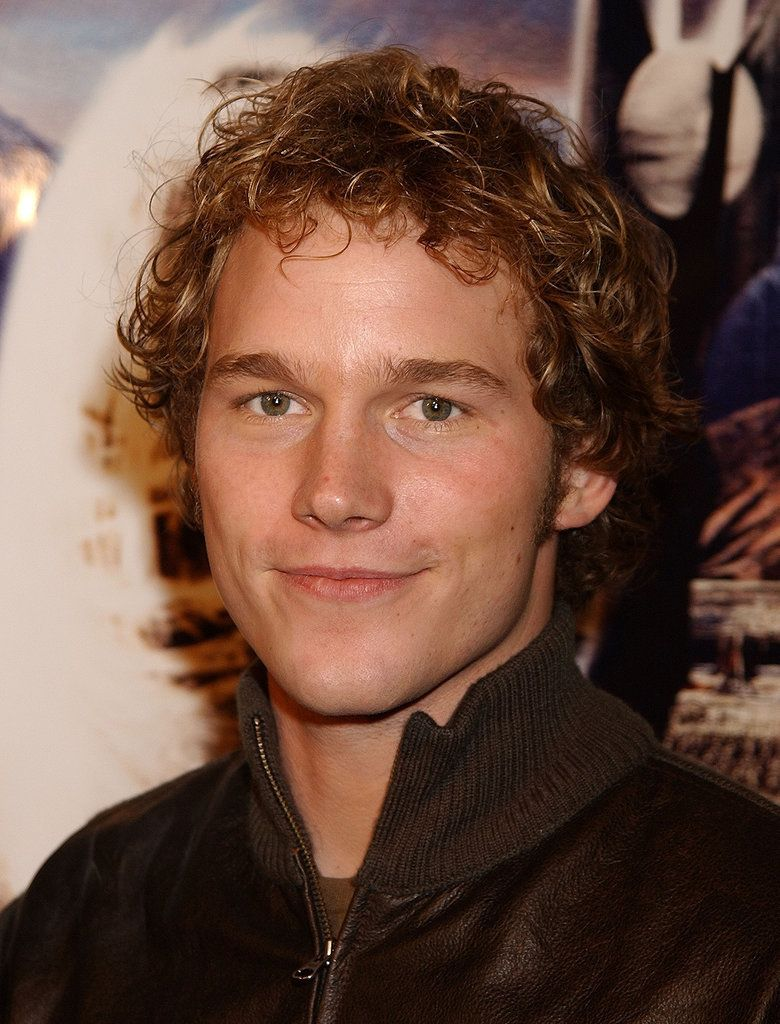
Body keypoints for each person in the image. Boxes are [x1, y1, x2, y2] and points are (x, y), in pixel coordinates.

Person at [1, 47, 777, 1023]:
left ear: (582, 466)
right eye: (273, 400)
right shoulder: (68, 933)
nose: (335, 492)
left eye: (433, 407)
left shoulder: (750, 955)